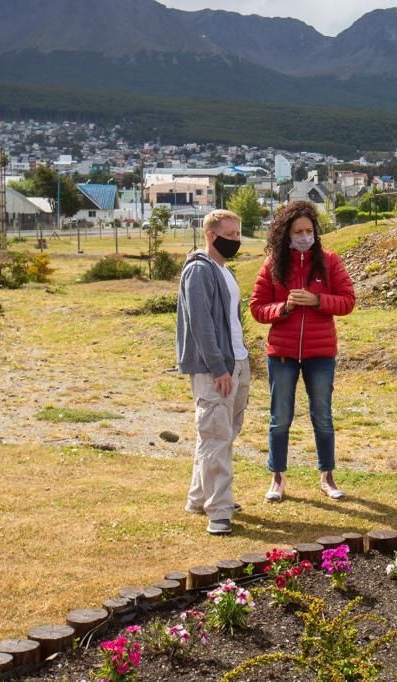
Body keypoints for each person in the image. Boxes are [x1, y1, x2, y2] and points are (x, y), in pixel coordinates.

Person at [250, 200, 356, 503]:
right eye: (298, 231)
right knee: (280, 417)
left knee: (322, 415)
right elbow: (257, 308)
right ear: (286, 233)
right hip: (281, 353)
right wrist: (284, 308)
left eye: (309, 230)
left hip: (320, 353)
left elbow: (348, 301)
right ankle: (278, 477)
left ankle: (327, 476)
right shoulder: (273, 265)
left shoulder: (329, 261)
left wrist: (317, 300)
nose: (304, 236)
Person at [176, 209, 251, 536]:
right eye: (229, 234)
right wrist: (218, 366)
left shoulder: (225, 272)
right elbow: (201, 324)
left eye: (237, 235)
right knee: (215, 436)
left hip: (237, 362)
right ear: (210, 235)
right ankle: (219, 513)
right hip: (215, 369)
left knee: (221, 435)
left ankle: (199, 497)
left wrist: (237, 363)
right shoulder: (199, 272)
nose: (235, 240)